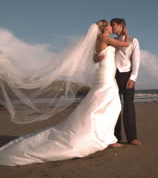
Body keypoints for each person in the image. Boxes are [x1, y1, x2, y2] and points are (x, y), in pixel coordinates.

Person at [0, 20, 130, 166]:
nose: (112, 27)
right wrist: (126, 33)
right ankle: (106, 138)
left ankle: (107, 137)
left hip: (104, 73)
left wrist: (96, 57)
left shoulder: (99, 40)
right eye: (110, 25)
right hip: (105, 75)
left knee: (106, 105)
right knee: (110, 105)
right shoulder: (105, 38)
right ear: (106, 28)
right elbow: (126, 45)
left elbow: (96, 58)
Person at [109, 18, 142, 146]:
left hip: (126, 75)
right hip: (112, 76)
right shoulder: (111, 41)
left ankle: (132, 137)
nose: (112, 28)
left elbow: (136, 60)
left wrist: (133, 77)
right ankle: (115, 137)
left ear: (121, 25)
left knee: (128, 106)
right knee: (114, 107)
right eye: (111, 25)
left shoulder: (134, 41)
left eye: (114, 25)